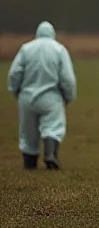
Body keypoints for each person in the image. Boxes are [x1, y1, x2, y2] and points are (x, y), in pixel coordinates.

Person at [7, 21, 77, 170]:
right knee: (53, 126)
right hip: (51, 97)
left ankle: (29, 163)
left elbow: (14, 73)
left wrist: (15, 90)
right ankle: (50, 155)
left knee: (28, 133)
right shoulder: (59, 49)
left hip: (27, 97)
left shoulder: (26, 49)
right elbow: (67, 78)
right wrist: (68, 96)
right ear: (53, 34)